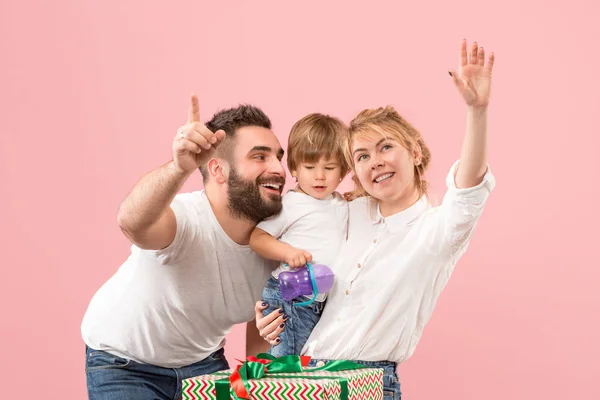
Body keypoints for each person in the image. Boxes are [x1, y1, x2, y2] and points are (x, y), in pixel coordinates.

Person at [255, 39, 497, 400]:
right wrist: (273, 317)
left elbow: (468, 188)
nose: (376, 161)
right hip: (304, 377)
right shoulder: (345, 213)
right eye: (363, 156)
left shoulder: (437, 231)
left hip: (366, 384)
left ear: (415, 152)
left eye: (386, 147)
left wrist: (476, 112)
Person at [81, 95, 285, 400]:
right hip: (124, 363)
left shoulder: (277, 241)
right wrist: (179, 169)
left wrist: (260, 381)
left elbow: (262, 315)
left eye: (278, 157)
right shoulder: (186, 219)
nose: (279, 169)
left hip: (204, 365)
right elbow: (132, 224)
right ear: (217, 170)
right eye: (260, 156)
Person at [249, 113, 350, 356]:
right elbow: (257, 237)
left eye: (329, 168)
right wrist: (289, 252)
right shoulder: (292, 204)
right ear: (293, 167)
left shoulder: (341, 203)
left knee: (307, 365)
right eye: (309, 167)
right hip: (290, 297)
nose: (319, 176)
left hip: (316, 300)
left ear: (343, 172)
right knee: (288, 368)